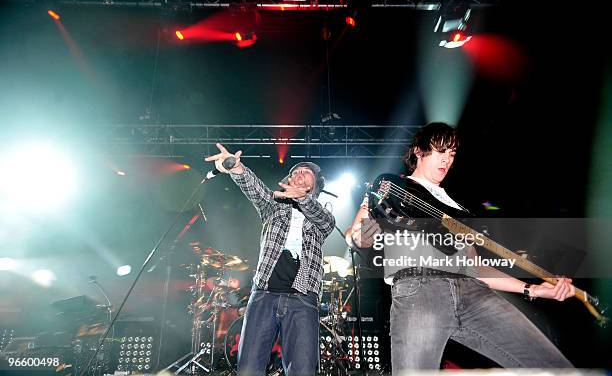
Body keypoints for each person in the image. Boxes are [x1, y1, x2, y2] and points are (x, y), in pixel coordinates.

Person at [345, 123, 575, 372]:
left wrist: (533, 289)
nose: (447, 160)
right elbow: (354, 235)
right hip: (420, 290)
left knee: (553, 366)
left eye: (452, 154)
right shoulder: (392, 189)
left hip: (473, 293)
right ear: (418, 152)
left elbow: (476, 268)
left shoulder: (458, 209)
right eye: (440, 151)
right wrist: (362, 237)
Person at [205, 143, 335, 376]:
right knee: (249, 368)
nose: (298, 174)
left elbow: (324, 221)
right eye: (294, 172)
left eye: (306, 172)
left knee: (303, 370)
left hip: (303, 299)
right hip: (264, 294)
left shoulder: (322, 214)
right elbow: (255, 188)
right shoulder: (274, 207)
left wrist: (303, 199)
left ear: (316, 183)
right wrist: (237, 168)